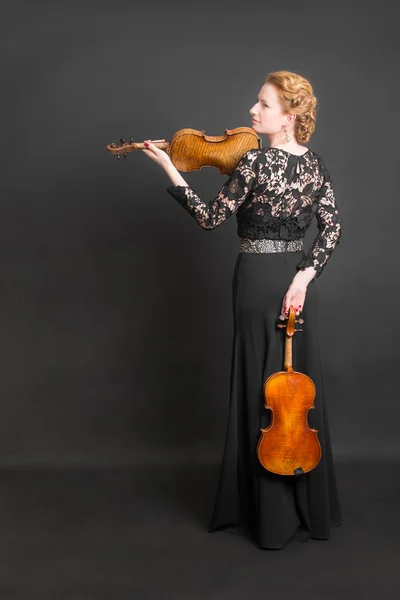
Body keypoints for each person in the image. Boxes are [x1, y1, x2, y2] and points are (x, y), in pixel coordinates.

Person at [141, 70, 343, 550]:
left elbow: (210, 219)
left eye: (264, 105)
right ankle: (306, 507)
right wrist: (303, 276)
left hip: (255, 282)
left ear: (289, 117)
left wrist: (168, 166)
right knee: (294, 394)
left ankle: (265, 515)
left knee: (262, 388)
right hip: (293, 287)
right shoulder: (315, 165)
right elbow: (332, 231)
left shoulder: (254, 164)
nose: (252, 112)